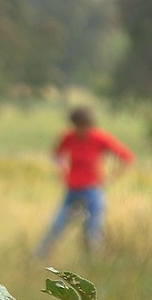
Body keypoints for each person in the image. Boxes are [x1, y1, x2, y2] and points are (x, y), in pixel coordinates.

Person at [36, 106, 135, 258]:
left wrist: (111, 178)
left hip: (93, 190)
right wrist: (63, 172)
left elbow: (127, 158)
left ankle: (93, 263)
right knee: (58, 225)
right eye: (78, 126)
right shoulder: (69, 137)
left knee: (93, 229)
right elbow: (57, 155)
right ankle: (39, 257)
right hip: (73, 189)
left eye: (83, 126)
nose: (81, 130)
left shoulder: (100, 138)